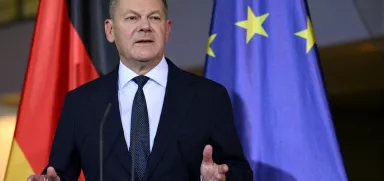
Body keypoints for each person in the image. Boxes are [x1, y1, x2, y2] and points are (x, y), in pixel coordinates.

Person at [27, 0, 253, 180]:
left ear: (167, 29)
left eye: (154, 18)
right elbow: (60, 173)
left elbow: (239, 172)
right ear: (110, 30)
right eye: (132, 18)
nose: (144, 26)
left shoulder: (208, 97)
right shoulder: (81, 103)